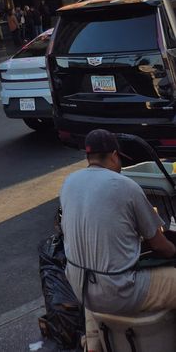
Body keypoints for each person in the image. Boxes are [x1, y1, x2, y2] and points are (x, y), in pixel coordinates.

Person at [61, 128, 176, 351]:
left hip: (79, 286)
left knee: (93, 273)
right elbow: (160, 245)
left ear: (88, 157)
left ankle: (92, 345)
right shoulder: (125, 185)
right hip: (120, 292)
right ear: (114, 155)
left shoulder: (69, 182)